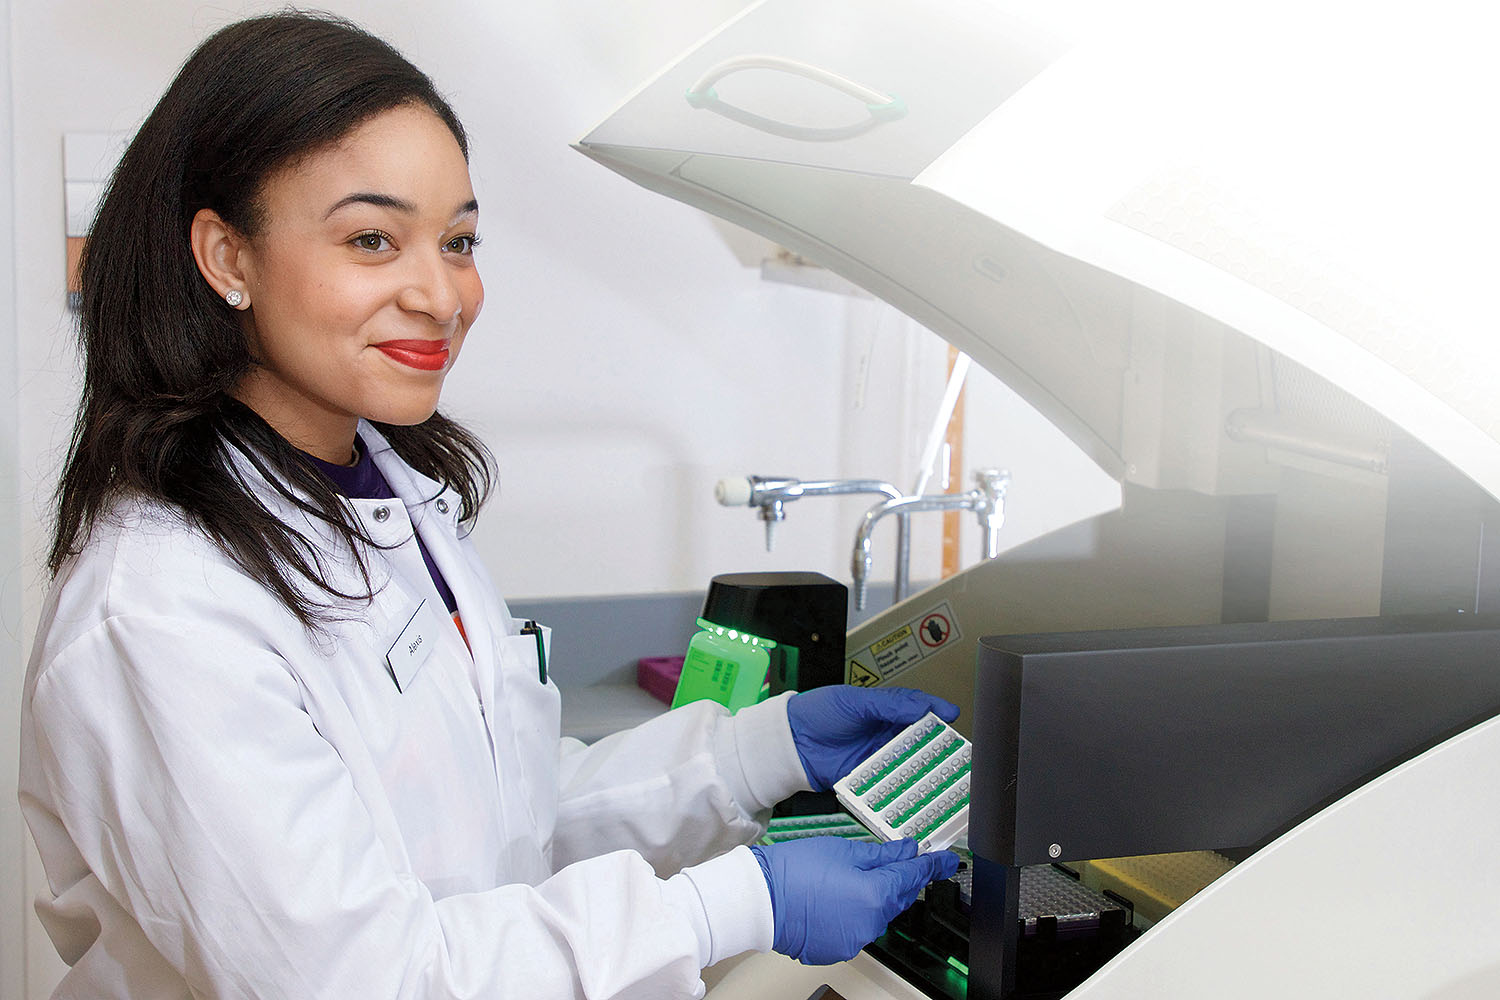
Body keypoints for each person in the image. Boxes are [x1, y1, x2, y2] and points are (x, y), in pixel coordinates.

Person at [18, 12, 961, 999]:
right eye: (373, 238)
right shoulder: (164, 607)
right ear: (227, 257)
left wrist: (757, 750)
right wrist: (735, 903)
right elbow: (360, 978)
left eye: (459, 240)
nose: (440, 292)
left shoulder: (390, 498)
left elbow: (505, 821)